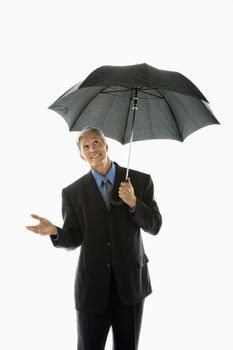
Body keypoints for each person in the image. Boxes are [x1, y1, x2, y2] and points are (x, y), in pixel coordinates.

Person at [26, 127, 162, 350]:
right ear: (81, 155)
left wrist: (135, 204)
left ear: (106, 146)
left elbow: (155, 226)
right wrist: (55, 232)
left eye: (96, 143)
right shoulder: (72, 192)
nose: (92, 149)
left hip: (131, 285)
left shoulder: (140, 180)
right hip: (92, 289)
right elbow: (75, 237)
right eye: (86, 147)